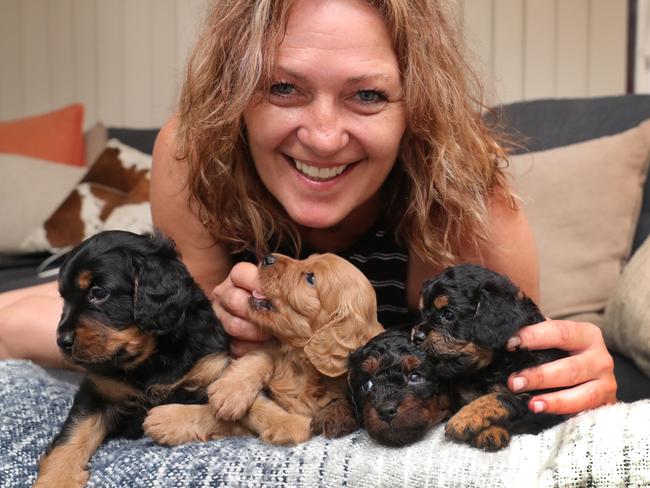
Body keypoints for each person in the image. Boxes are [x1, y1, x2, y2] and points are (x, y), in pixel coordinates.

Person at [0, 0, 616, 416]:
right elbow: (190, 346)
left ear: (417, 107)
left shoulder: (471, 198)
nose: (323, 137)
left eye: (368, 95)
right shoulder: (191, 152)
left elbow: (521, 370)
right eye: (284, 88)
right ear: (233, 94)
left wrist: (570, 377)